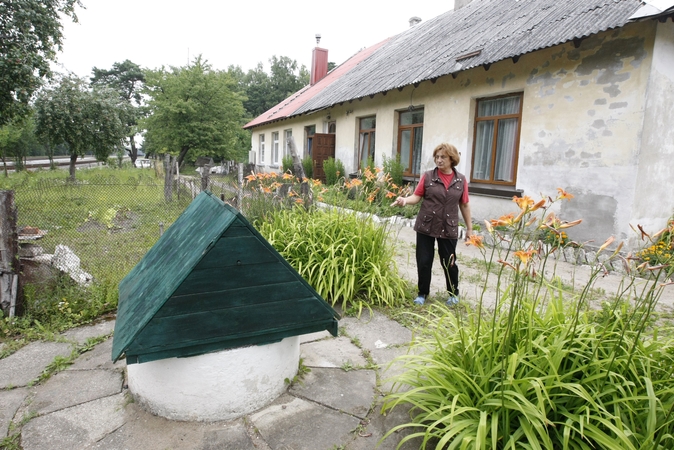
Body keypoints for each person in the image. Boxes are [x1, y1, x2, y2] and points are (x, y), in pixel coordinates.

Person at [391, 143, 472, 306]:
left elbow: (464, 204)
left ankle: (453, 294)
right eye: (437, 157)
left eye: (443, 157)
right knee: (424, 260)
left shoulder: (460, 180)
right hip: (426, 225)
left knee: (449, 261)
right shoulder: (428, 176)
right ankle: (422, 293)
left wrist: (470, 228)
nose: (439, 160)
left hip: (448, 226)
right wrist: (405, 201)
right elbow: (416, 196)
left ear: (452, 159)